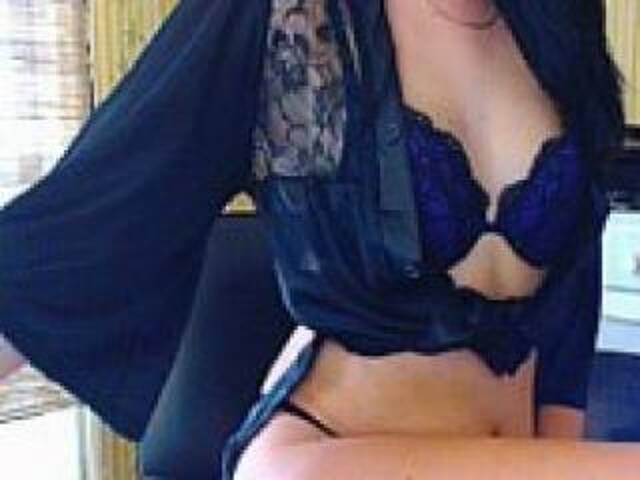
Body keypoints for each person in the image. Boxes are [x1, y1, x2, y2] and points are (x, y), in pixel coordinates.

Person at [0, 0, 637, 478]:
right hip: (329, 454)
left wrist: (558, 455)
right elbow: (71, 235)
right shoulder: (291, 19)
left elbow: (568, 303)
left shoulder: (559, 21)